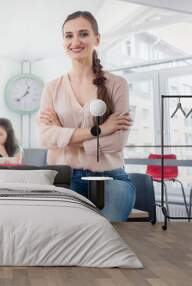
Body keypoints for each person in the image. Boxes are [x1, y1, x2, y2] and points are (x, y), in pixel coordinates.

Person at [37, 11, 135, 221]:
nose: (75, 41)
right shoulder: (52, 88)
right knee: (67, 245)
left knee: (107, 243)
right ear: (63, 41)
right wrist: (99, 130)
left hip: (111, 178)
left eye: (83, 34)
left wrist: (65, 138)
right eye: (68, 35)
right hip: (64, 178)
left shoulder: (117, 84)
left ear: (96, 39)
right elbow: (45, 138)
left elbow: (117, 142)